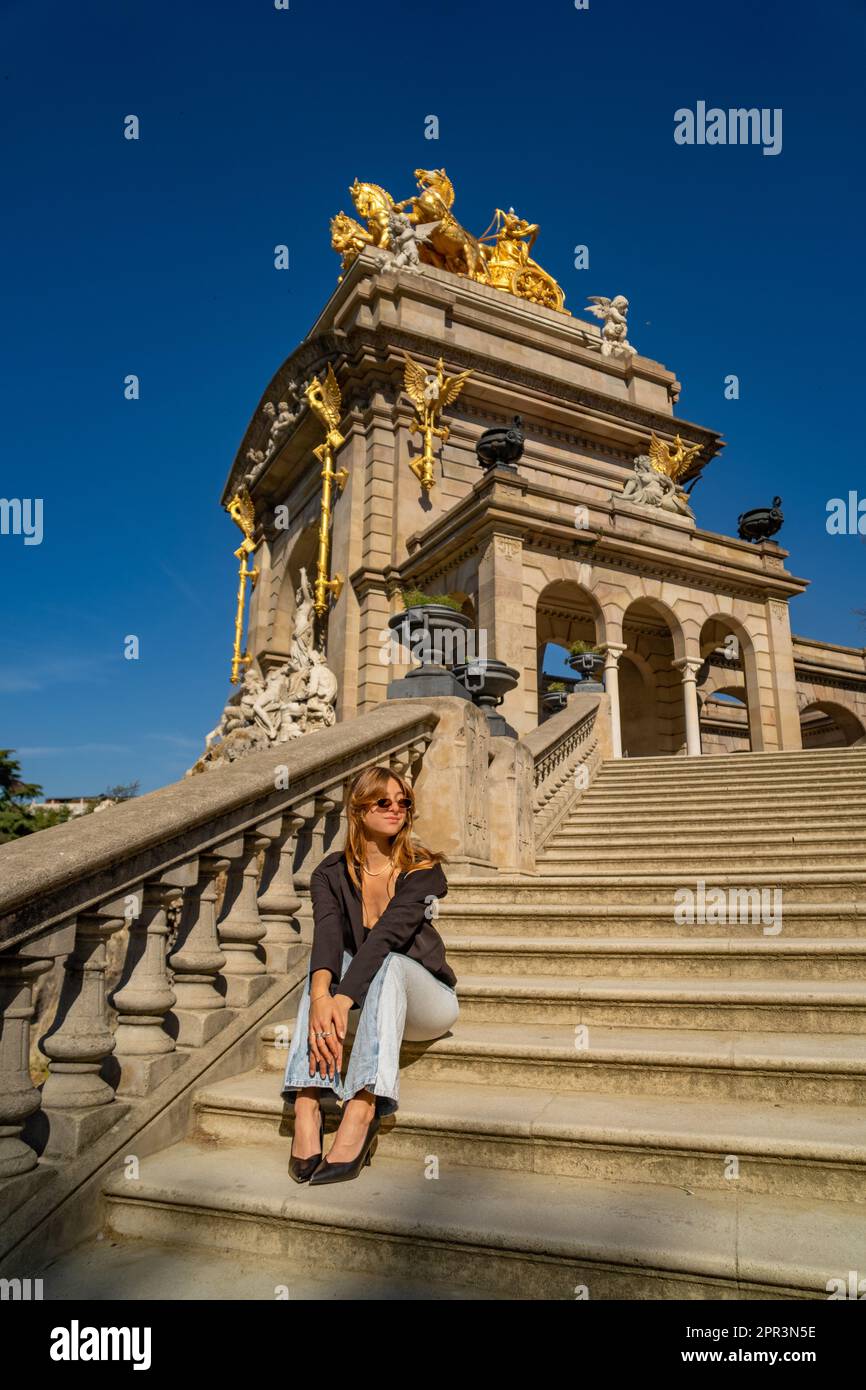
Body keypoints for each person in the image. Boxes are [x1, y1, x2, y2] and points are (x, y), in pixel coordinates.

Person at [281, 765, 459, 1185]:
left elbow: (386, 938)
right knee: (320, 977)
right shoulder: (329, 873)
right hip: (370, 1002)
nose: (396, 809)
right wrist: (325, 995)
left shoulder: (424, 869)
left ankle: (362, 1107)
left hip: (426, 1003)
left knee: (390, 961)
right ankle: (307, 1101)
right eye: (384, 801)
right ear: (358, 810)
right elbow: (326, 936)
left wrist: (341, 1000)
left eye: (403, 802)